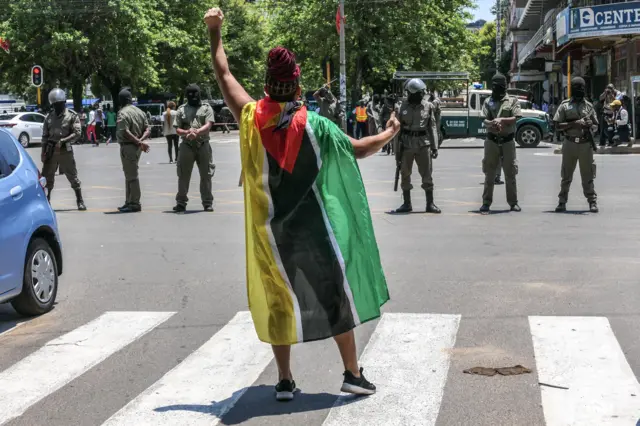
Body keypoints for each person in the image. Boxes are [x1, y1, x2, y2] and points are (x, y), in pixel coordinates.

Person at [205, 7, 400, 401]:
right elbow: (359, 149)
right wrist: (390, 132)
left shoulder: (248, 118)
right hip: (313, 233)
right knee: (335, 297)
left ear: (266, 84)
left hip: (270, 237)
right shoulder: (317, 127)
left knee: (279, 302)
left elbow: (223, 73)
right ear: (298, 86)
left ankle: (284, 380)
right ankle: (351, 373)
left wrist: (215, 31)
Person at [392, 78, 441, 214]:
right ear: (410, 93)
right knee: (405, 173)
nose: (421, 95)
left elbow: (432, 128)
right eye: (418, 93)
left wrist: (435, 147)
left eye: (422, 93)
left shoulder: (428, 106)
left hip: (423, 144)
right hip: (406, 144)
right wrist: (396, 150)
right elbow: (396, 130)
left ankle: (430, 204)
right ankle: (407, 203)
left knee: (427, 174)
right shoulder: (401, 107)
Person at [554, 77, 599, 213]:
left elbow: (596, 125)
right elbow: (557, 125)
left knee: (588, 175)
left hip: (585, 144)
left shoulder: (589, 106)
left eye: (581, 87)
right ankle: (562, 202)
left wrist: (591, 126)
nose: (580, 90)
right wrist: (574, 123)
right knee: (566, 176)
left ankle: (592, 201)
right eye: (577, 87)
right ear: (572, 89)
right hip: (570, 143)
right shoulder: (565, 105)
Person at [480, 74, 522, 213]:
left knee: (510, 172)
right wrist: (492, 123)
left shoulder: (512, 100)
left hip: (508, 141)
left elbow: (516, 117)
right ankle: (486, 202)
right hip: (492, 140)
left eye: (499, 85)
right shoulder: (488, 101)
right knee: (489, 173)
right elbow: (484, 119)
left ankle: (513, 202)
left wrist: (502, 120)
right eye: (495, 85)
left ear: (504, 86)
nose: (497, 88)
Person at [41, 88, 86, 211]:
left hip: (65, 150)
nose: (56, 107)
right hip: (50, 151)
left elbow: (77, 133)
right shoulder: (49, 117)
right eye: (54, 105)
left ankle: (80, 200)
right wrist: (43, 152)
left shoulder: (71, 116)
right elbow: (44, 136)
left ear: (64, 103)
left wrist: (64, 140)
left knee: (73, 176)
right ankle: (47, 201)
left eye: (59, 104)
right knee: (47, 177)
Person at [173, 84, 216, 213]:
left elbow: (208, 125)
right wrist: (187, 132)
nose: (193, 97)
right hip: (187, 145)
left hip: (203, 144)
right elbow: (177, 128)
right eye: (190, 94)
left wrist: (196, 132)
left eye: (195, 94)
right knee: (183, 175)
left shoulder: (206, 108)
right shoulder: (181, 109)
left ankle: (207, 203)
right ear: (187, 96)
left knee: (206, 175)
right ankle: (181, 202)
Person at [116, 88, 151, 213]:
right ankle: (129, 201)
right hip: (137, 147)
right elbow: (148, 129)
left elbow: (125, 131)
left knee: (132, 176)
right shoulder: (140, 112)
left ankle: (134, 203)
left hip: (128, 146)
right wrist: (140, 141)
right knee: (129, 174)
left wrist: (138, 142)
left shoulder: (122, 113)